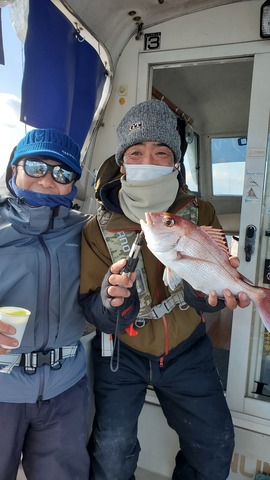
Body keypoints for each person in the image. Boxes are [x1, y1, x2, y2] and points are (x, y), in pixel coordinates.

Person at [79, 99, 250, 480]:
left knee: (215, 445)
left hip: (187, 350)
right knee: (113, 450)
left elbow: (206, 293)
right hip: (122, 354)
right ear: (123, 163)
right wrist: (111, 303)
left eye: (160, 152)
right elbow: (89, 306)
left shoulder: (200, 213)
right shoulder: (95, 227)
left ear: (175, 162)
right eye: (136, 152)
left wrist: (207, 292)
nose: (148, 160)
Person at [0, 128, 91, 480]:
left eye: (63, 173)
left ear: (73, 186)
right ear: (13, 171)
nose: (48, 180)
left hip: (65, 390)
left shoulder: (88, 231)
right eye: (36, 167)